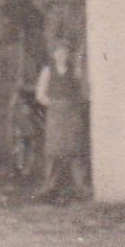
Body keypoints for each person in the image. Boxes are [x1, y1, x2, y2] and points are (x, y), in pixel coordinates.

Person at [32, 43, 90, 203]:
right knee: (54, 151)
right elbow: (40, 94)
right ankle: (48, 187)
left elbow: (82, 89)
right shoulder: (48, 71)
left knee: (75, 150)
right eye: (59, 52)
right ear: (54, 55)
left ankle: (81, 187)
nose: (62, 55)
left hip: (72, 113)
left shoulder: (75, 71)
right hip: (55, 114)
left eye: (65, 52)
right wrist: (53, 104)